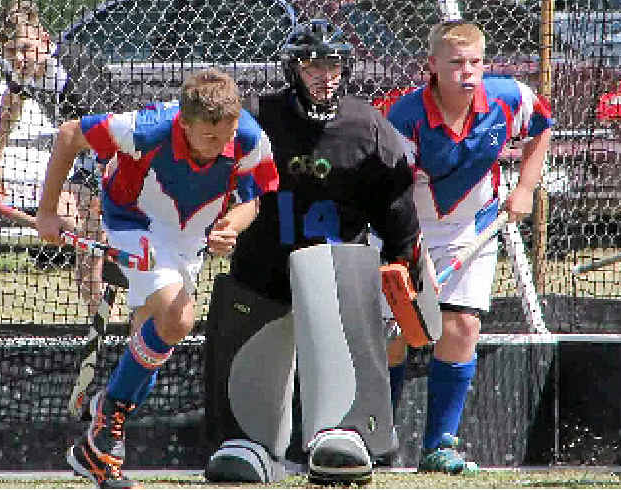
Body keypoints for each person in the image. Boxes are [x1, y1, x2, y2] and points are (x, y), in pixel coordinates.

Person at [201, 19, 423, 485]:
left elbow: (397, 204)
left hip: (335, 273)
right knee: (250, 319)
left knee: (339, 300)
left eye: (333, 64)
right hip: (264, 265)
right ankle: (250, 440)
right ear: (293, 69)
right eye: (312, 64)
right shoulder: (257, 117)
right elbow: (216, 175)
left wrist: (403, 261)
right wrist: (211, 224)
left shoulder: (367, 125)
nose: (325, 75)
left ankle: (342, 430)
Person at [34, 68, 278, 489]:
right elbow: (70, 134)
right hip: (135, 223)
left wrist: (231, 227)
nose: (219, 148)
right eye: (209, 138)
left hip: (191, 237)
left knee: (150, 343)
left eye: (226, 137)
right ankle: (106, 423)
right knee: (179, 318)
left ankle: (96, 447)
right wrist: (47, 211)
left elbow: (252, 200)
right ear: (185, 123)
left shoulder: (249, 138)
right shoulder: (145, 129)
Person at [384, 20, 553, 474]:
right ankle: (379, 438)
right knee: (395, 334)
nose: (468, 72)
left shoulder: (508, 97)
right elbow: (393, 194)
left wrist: (526, 188)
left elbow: (542, 126)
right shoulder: (405, 118)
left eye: (476, 62)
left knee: (462, 326)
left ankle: (440, 445)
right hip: (408, 227)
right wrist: (412, 252)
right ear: (432, 66)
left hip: (472, 228)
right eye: (457, 63)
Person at [0, 0, 117, 327]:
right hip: (89, 162)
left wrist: (107, 197)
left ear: (45, 41)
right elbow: (10, 104)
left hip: (124, 159)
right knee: (86, 268)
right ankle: (107, 333)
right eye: (10, 52)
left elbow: (110, 135)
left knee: (88, 241)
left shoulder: (73, 71)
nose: (18, 59)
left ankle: (115, 253)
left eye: (25, 49)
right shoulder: (21, 70)